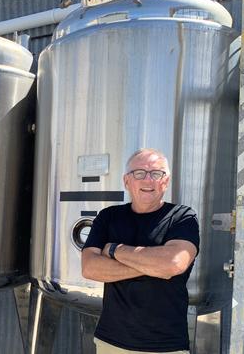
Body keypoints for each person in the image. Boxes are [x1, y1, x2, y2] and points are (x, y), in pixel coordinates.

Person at [81, 148, 199, 354]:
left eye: (156, 173)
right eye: (139, 173)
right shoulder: (109, 216)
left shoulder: (182, 216)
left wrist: (115, 249)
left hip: (164, 346)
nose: (148, 180)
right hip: (110, 341)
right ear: (127, 181)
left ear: (166, 181)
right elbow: (90, 268)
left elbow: (173, 264)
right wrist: (153, 265)